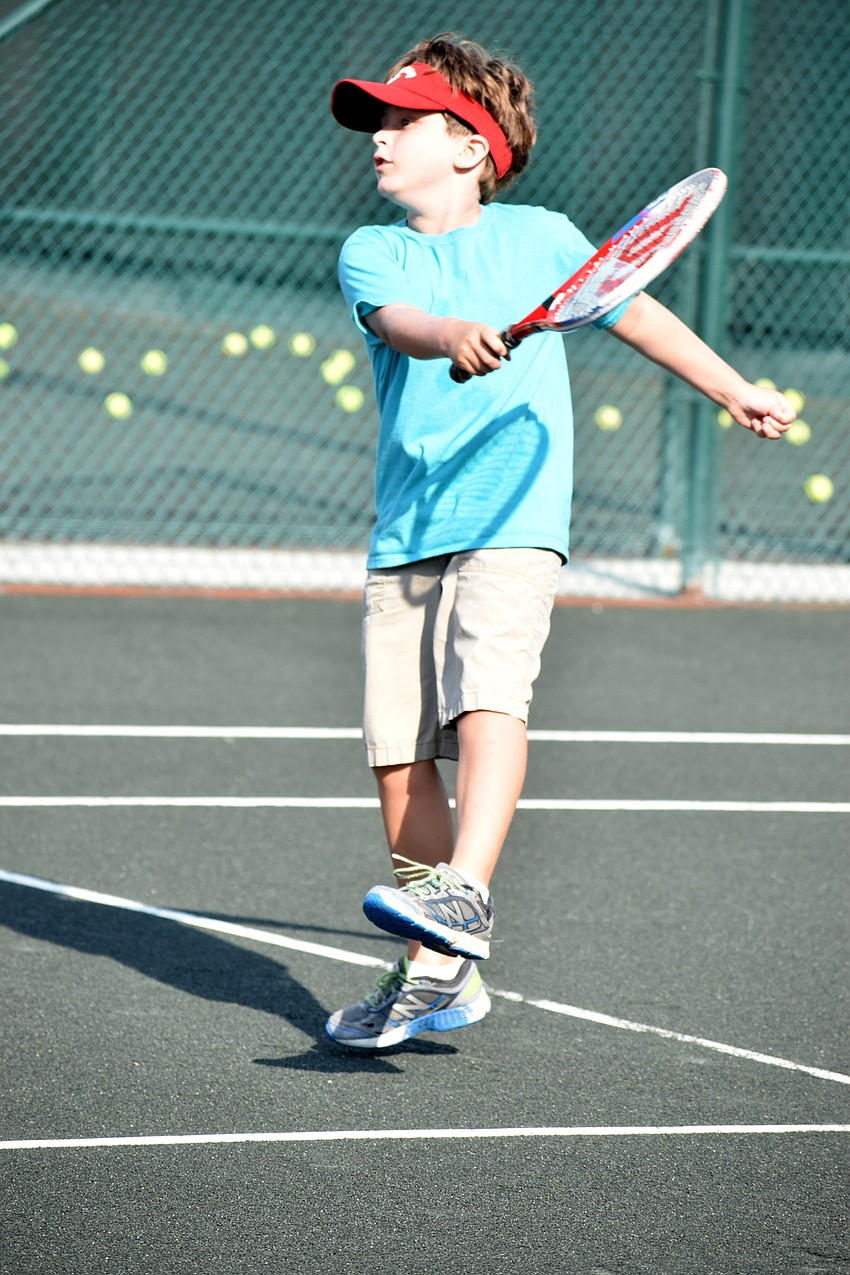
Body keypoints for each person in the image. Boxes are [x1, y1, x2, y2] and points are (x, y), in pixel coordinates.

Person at [324, 34, 795, 1049]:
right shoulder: (374, 250)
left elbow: (636, 314)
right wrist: (451, 334)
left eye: (402, 121)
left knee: (490, 695)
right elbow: (401, 319)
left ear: (468, 147)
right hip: (408, 529)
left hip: (513, 519)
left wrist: (733, 389)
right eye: (378, 121)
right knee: (397, 758)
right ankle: (437, 971)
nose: (380, 138)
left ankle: (464, 899)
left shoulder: (541, 238)